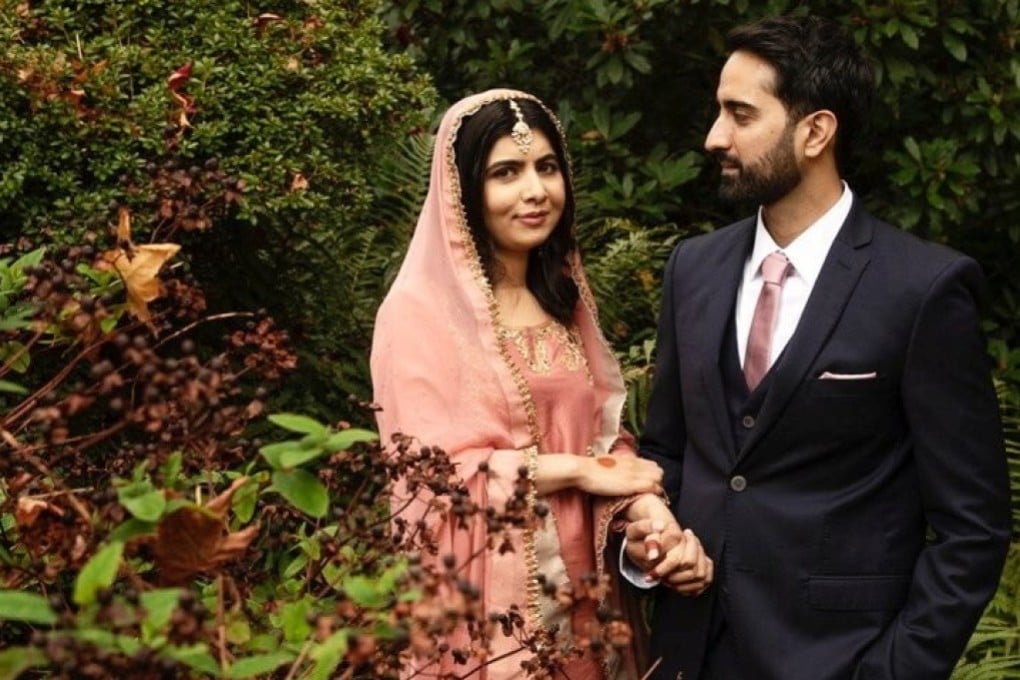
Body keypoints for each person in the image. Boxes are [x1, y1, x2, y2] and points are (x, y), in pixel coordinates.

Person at [623, 15, 1012, 680]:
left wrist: (894, 669)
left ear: (815, 131)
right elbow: (668, 453)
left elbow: (973, 526)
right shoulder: (694, 268)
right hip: (690, 652)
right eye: (719, 111)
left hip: (840, 658)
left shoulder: (922, 289)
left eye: (741, 114)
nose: (714, 136)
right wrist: (648, 541)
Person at [370, 89, 711, 679]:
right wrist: (576, 471)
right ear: (463, 190)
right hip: (487, 606)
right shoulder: (418, 314)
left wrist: (648, 510)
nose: (536, 191)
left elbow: (603, 440)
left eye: (547, 168)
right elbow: (430, 477)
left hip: (587, 595)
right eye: (506, 172)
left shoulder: (562, 300)